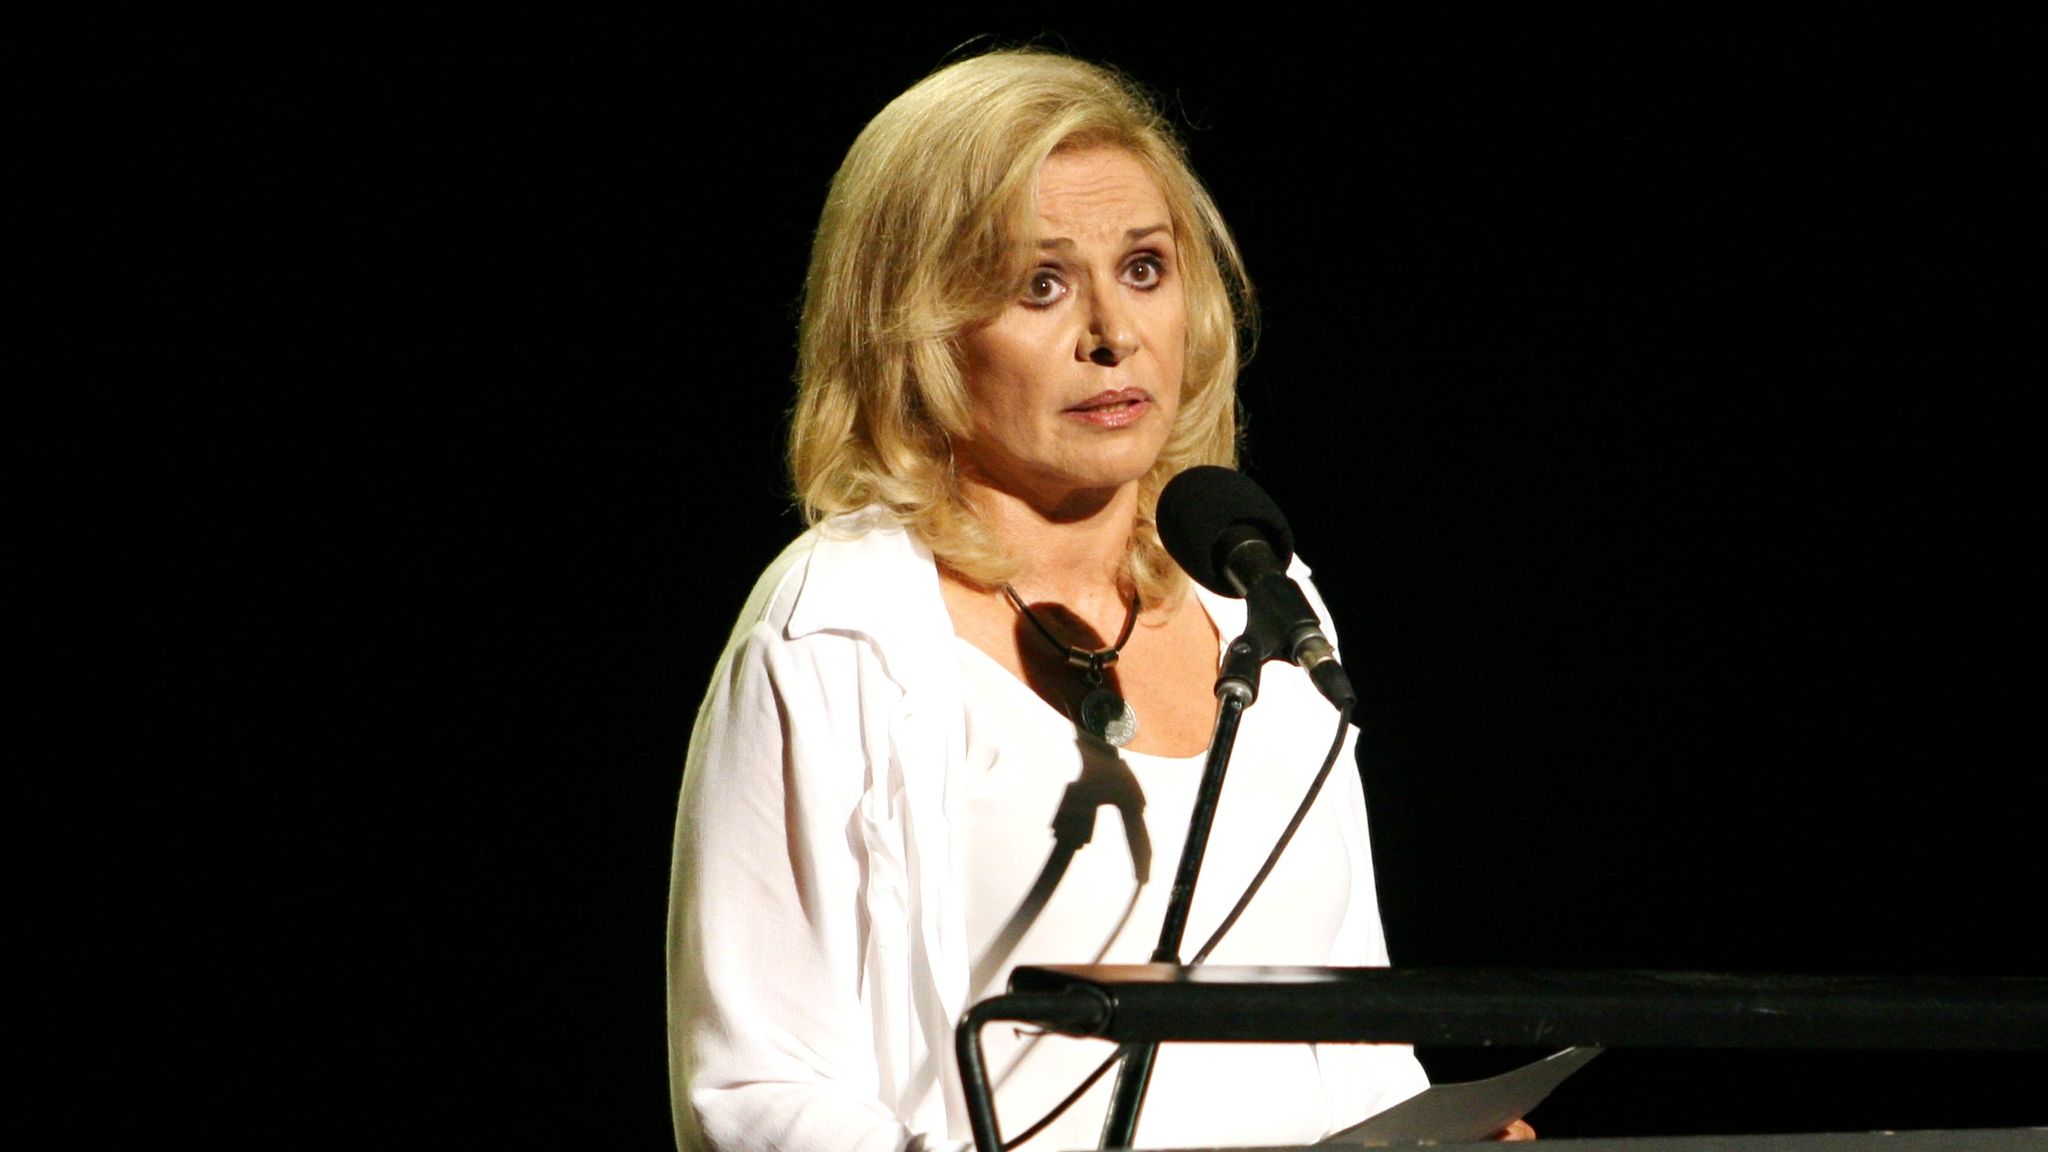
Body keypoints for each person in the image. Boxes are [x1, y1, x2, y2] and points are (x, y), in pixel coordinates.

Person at [666, 46, 1536, 1150]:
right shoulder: (837, 630)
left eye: (1143, 268)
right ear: (916, 329)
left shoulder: (1259, 603)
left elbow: (1350, 1032)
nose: (1112, 335)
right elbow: (755, 1091)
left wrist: (1428, 1134)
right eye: (1040, 284)